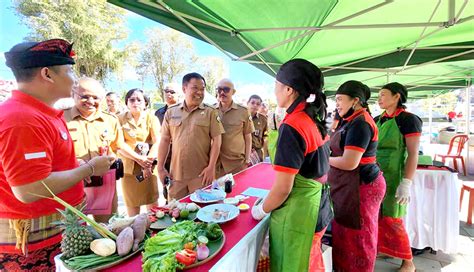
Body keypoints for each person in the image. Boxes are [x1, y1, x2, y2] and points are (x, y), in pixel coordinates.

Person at [0, 39, 114, 271]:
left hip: (58, 231)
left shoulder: (39, 113)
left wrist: (74, 165)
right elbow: (29, 188)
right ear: (47, 74)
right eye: (69, 71)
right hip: (35, 244)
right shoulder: (23, 119)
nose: (73, 79)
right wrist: (89, 169)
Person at [251, 59, 331, 271]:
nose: (274, 90)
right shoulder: (310, 117)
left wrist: (261, 210)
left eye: (276, 85)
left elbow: (283, 188)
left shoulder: (294, 124)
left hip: (301, 213)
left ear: (289, 89)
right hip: (318, 206)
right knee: (310, 261)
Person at [64, 77, 149, 222]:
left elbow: (118, 146)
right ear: (73, 94)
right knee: (76, 231)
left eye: (95, 97)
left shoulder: (110, 120)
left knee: (107, 229)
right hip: (73, 182)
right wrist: (76, 162)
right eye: (85, 96)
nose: (91, 101)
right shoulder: (60, 118)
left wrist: (111, 157)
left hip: (104, 184)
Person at [328, 80, 386, 272]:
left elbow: (349, 162)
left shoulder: (360, 124)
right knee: (346, 232)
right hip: (351, 185)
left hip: (363, 186)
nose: (337, 104)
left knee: (360, 236)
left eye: (340, 99)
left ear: (355, 100)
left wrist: (324, 159)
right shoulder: (351, 120)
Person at [375, 82, 422, 272]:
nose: (379, 98)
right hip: (376, 174)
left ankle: (408, 262)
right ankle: (387, 250)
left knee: (393, 219)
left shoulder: (408, 120)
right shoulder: (378, 119)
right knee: (378, 216)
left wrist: (406, 183)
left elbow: (413, 154)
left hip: (395, 176)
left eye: (383, 94)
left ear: (397, 97)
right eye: (378, 95)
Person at [158, 73, 224, 200]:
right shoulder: (171, 112)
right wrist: (160, 168)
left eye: (202, 89)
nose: (199, 92)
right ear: (184, 89)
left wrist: (211, 167)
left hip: (201, 176)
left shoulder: (210, 112)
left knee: (202, 212)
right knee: (176, 212)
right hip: (176, 176)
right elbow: (165, 140)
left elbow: (217, 140)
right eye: (195, 88)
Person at [117, 89, 161, 216]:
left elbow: (158, 141)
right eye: (131, 99)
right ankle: (136, 235)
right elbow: (119, 144)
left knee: (153, 207)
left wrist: (148, 161)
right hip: (129, 169)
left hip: (148, 168)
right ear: (127, 102)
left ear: (145, 103)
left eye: (139, 100)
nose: (135, 102)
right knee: (132, 206)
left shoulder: (151, 118)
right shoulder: (119, 119)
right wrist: (138, 159)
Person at [215, 78, 254, 177]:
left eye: (226, 89)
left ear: (233, 92)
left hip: (236, 164)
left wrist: (247, 160)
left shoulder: (243, 111)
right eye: (219, 89)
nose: (222, 92)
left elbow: (248, 137)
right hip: (216, 164)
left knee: (236, 191)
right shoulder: (211, 111)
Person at [248, 94, 268, 162]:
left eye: (258, 104)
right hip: (242, 153)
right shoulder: (240, 117)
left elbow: (265, 137)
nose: (255, 105)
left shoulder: (263, 120)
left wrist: (265, 155)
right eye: (252, 103)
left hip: (257, 153)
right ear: (247, 103)